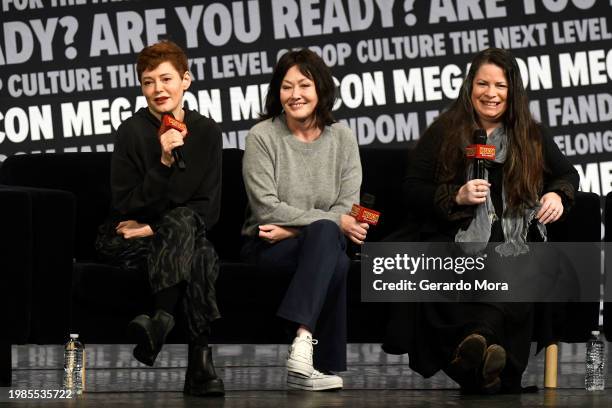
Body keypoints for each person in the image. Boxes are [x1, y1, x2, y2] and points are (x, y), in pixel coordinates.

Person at [382, 47, 579, 394]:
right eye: (482, 84)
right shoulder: (444, 131)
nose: (490, 93)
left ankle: (477, 348)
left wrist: (556, 195)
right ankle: (487, 365)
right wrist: (455, 195)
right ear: (469, 86)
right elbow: (411, 189)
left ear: (512, 91)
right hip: (459, 239)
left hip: (514, 241)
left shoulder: (532, 136)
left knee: (521, 267)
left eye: (500, 85)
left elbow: (566, 174)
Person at [95, 40, 224, 397]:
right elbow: (126, 204)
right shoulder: (131, 131)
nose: (157, 89)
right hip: (128, 239)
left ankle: (159, 322)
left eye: (166, 79)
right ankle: (200, 366)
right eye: (148, 82)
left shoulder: (208, 133)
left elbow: (207, 210)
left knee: (190, 234)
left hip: (162, 231)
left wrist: (156, 226)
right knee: (199, 252)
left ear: (186, 80)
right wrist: (163, 163)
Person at [240, 49, 368, 391]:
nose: (295, 94)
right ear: (277, 93)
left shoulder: (343, 138)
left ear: (321, 89)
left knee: (328, 239)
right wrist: (323, 224)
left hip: (303, 240)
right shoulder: (262, 137)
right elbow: (266, 208)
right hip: (268, 247)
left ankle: (302, 344)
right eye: (286, 86)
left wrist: (294, 228)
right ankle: (312, 360)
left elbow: (349, 206)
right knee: (335, 255)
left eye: (304, 85)